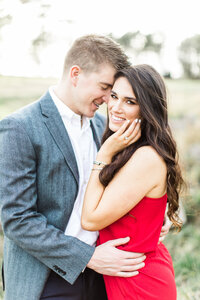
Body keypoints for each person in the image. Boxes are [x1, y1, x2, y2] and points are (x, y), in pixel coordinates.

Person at [0, 35, 169, 300]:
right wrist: (88, 257)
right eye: (105, 88)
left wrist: (157, 217)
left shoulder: (103, 128)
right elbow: (17, 220)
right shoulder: (19, 127)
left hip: (105, 277)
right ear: (75, 74)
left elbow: (143, 174)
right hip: (47, 279)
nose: (108, 100)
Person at [82, 65, 184, 299]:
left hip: (141, 280)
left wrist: (103, 156)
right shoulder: (127, 149)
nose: (116, 108)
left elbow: (90, 219)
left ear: (147, 109)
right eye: (115, 96)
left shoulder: (146, 157)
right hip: (124, 275)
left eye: (130, 102)